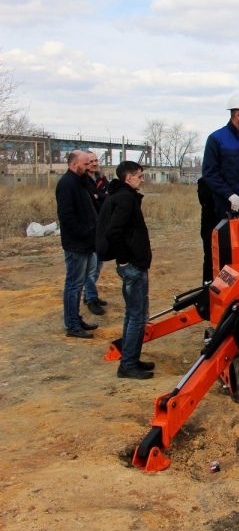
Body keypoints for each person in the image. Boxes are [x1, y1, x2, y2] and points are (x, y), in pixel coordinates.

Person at [96, 161, 155, 379]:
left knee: (134, 315)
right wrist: (125, 259)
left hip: (135, 264)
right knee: (137, 317)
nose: (142, 179)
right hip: (133, 266)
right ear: (128, 178)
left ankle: (131, 359)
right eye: (139, 176)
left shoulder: (122, 196)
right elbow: (114, 232)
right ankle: (128, 365)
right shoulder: (125, 198)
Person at [199, 92, 239, 281]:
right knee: (217, 253)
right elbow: (209, 173)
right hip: (219, 208)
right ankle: (211, 288)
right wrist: (229, 195)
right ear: (238, 114)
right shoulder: (216, 139)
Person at [56, 150, 100, 338]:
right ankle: (72, 325)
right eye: (85, 163)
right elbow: (66, 216)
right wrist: (84, 233)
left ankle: (76, 318)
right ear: (74, 164)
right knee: (73, 285)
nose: (89, 166)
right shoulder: (67, 184)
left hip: (86, 243)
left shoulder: (81, 182)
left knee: (78, 284)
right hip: (76, 245)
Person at [83, 151, 110, 315]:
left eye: (95, 160)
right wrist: (101, 196)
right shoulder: (82, 181)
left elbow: (109, 197)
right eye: (90, 161)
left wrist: (98, 196)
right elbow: (91, 200)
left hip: (102, 226)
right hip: (91, 228)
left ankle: (89, 294)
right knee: (91, 267)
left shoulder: (101, 178)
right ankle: (91, 298)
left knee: (98, 264)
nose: (94, 163)